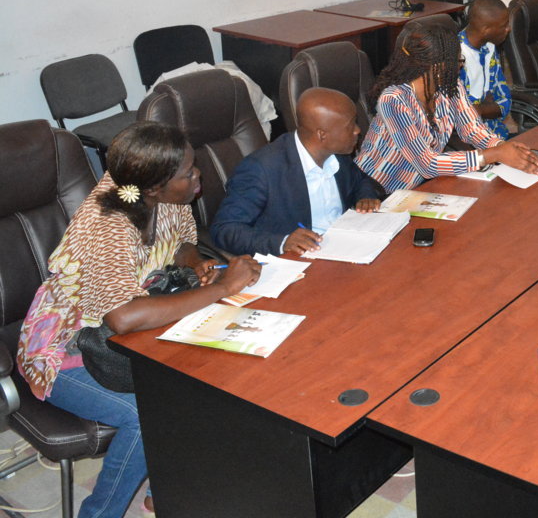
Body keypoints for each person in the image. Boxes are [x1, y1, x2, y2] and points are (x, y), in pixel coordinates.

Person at [17, 122, 262, 518]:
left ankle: (165, 494)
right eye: (188, 173)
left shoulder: (161, 193)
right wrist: (220, 289)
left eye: (193, 166)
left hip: (124, 332)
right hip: (64, 348)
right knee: (147, 413)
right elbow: (123, 317)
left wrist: (196, 263)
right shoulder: (108, 225)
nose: (197, 174)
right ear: (153, 188)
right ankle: (100, 513)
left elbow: (179, 242)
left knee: (215, 371)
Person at [355, 21, 538, 192]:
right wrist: (493, 154)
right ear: (436, 66)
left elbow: (473, 129)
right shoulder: (394, 100)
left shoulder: (449, 86)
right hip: (377, 191)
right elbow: (427, 164)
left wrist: (504, 148)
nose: (460, 66)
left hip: (418, 187)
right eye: (457, 61)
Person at [211, 87, 382, 256]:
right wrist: (282, 242)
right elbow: (225, 229)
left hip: (347, 245)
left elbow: (360, 180)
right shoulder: (261, 169)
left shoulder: (337, 154)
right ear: (322, 135)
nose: (357, 130)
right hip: (301, 261)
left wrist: (365, 197)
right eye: (350, 125)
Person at [458, 0, 514, 138]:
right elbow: (463, 117)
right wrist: (486, 108)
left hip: (497, 134)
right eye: (504, 26)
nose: (509, 29)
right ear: (485, 30)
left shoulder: (489, 47)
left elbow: (505, 101)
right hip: (471, 145)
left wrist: (481, 109)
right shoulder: (457, 57)